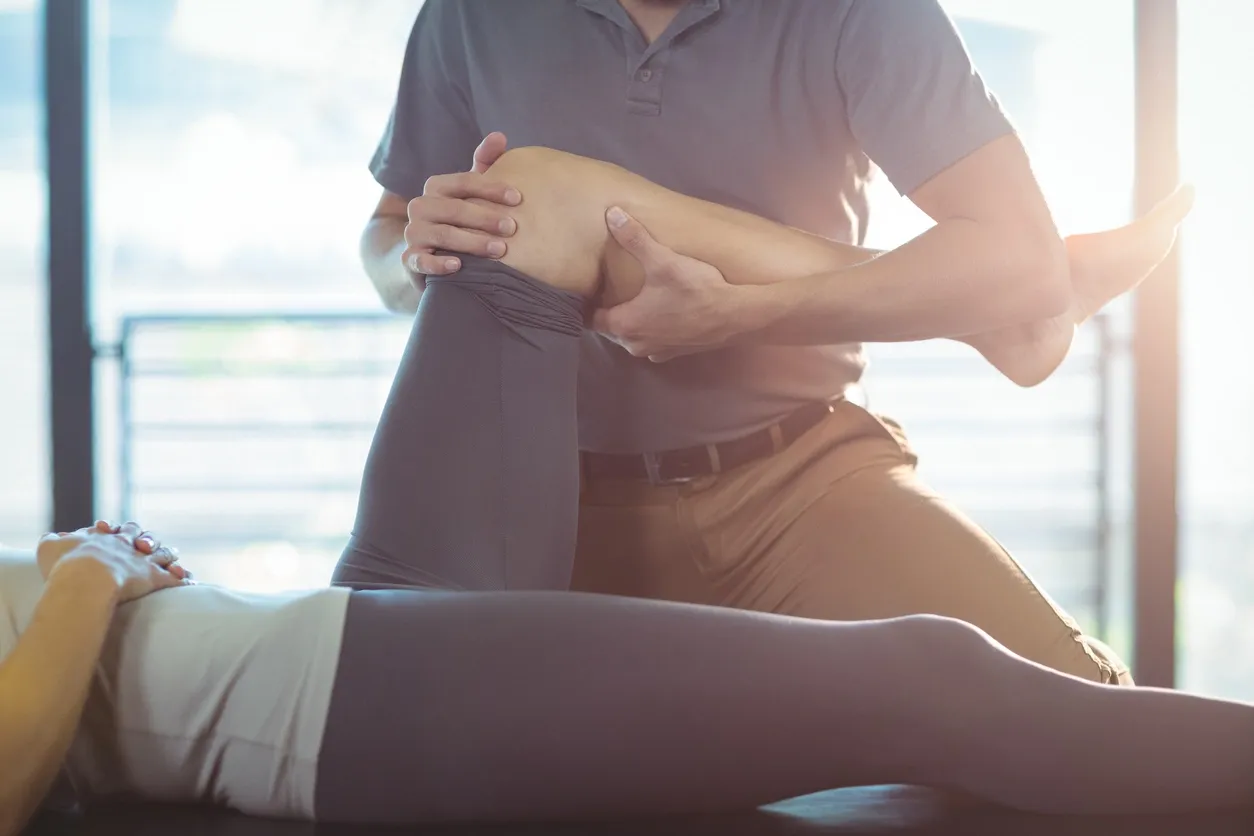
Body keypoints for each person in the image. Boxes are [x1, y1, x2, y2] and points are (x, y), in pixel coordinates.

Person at [0, 190, 1246, 831]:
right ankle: (1006, 293)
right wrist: (89, 570)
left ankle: (997, 290)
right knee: (930, 679)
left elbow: (403, 250)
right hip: (324, 704)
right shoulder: (85, 591)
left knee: (522, 212)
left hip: (322, 633)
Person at [361, 0, 1181, 686]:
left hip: (801, 478)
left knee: (1091, 721)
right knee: (539, 198)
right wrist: (419, 257)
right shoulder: (471, 12)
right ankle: (996, 324)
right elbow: (388, 239)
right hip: (553, 505)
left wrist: (748, 312)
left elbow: (1017, 257)